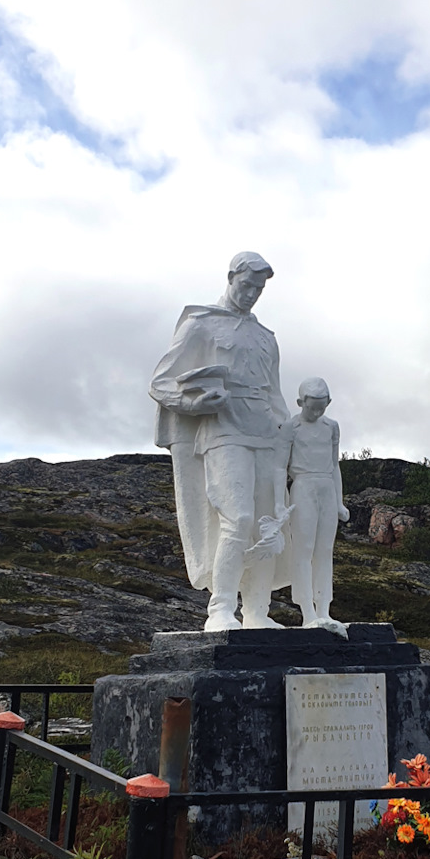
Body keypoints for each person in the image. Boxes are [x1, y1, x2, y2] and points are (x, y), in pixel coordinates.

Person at [149, 252, 293, 631]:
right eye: (246, 286)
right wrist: (193, 402)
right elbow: (161, 382)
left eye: (258, 290)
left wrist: (292, 435)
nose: (251, 294)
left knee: (266, 524)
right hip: (222, 431)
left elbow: (274, 393)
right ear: (230, 277)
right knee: (238, 517)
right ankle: (222, 608)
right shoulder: (201, 324)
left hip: (263, 432)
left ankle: (258, 611)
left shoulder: (266, 337)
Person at [284, 377, 348, 633]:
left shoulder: (332, 427)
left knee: (324, 550)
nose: (317, 412)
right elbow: (280, 467)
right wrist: (281, 501)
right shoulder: (291, 427)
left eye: (322, 407)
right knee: (304, 549)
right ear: (301, 403)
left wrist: (340, 501)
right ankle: (307, 611)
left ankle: (323, 609)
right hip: (302, 486)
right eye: (312, 407)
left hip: (326, 489)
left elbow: (334, 465)